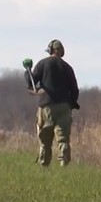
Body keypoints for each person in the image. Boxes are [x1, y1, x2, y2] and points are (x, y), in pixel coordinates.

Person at [24, 39, 80, 167]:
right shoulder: (67, 68)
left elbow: (30, 82)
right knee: (63, 138)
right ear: (61, 51)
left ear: (51, 50)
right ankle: (63, 164)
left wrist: (27, 71)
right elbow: (75, 90)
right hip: (64, 107)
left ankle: (44, 164)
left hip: (46, 106)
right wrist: (71, 104)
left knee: (45, 138)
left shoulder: (43, 64)